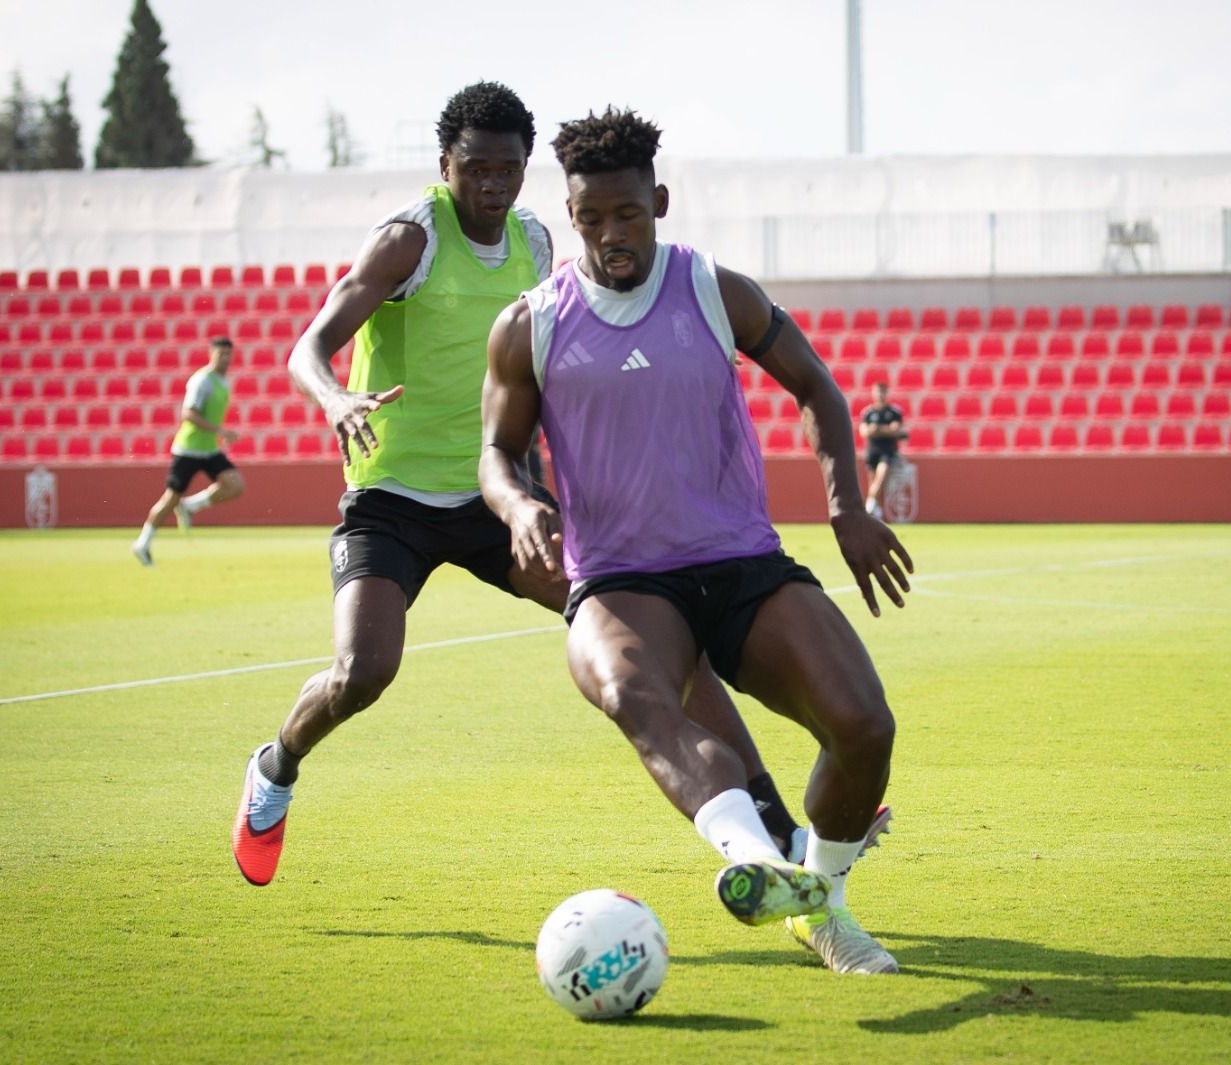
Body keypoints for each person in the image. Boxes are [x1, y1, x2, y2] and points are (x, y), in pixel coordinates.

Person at [231, 83, 831, 889]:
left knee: (661, 635)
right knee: (361, 672)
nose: (491, 184)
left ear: (526, 172)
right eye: (474, 168)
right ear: (445, 166)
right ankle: (275, 766)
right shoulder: (409, 241)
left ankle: (775, 826)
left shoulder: (535, 240)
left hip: (502, 500)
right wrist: (336, 398)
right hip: (394, 502)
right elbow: (311, 344)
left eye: (508, 169)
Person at [480, 107, 914, 975]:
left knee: (865, 727)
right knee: (635, 692)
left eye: (628, 214)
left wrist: (847, 508)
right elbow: (497, 451)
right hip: (620, 580)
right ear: (571, 217)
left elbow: (818, 388)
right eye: (592, 218)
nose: (612, 235)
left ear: (660, 201)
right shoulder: (531, 322)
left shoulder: (716, 290)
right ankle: (755, 861)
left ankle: (817, 899)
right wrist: (521, 507)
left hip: (741, 563)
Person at [131, 336, 244, 565]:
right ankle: (142, 543)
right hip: (189, 448)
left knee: (235, 485)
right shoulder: (202, 380)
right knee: (171, 498)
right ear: (211, 354)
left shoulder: (223, 382)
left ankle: (191, 506)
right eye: (220, 354)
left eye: (228, 354)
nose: (225, 358)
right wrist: (220, 430)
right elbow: (188, 414)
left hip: (209, 448)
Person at [859, 380, 905, 519]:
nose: (880, 395)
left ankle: (868, 505)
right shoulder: (868, 412)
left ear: (886, 393)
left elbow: (895, 430)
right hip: (872, 450)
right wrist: (885, 429)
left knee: (882, 475)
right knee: (874, 482)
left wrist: (876, 429)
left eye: (882, 392)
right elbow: (864, 432)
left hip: (888, 450)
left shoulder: (894, 412)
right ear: (873, 393)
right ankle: (875, 512)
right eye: (877, 392)